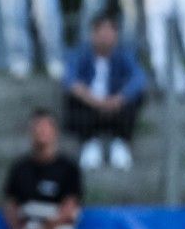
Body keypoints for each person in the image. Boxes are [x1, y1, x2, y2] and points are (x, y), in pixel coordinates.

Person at [61, 15, 149, 171]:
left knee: (136, 97)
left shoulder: (124, 55)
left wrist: (118, 99)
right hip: (89, 104)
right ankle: (89, 142)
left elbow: (139, 77)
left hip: (116, 105)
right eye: (102, 33)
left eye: (110, 33)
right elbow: (70, 80)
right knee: (72, 99)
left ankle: (120, 142)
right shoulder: (80, 53)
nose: (106, 38)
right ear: (93, 34)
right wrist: (95, 101)